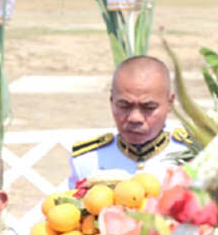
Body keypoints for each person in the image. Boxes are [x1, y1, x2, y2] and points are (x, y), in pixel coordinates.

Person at [69, 56, 190, 187]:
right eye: (124, 106)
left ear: (169, 104)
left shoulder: (195, 157)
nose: (135, 118)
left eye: (148, 108)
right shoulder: (87, 160)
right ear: (112, 100)